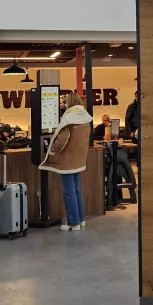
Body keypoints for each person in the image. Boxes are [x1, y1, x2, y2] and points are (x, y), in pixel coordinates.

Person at [40, 92, 93, 231]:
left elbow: (61, 141)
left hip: (67, 160)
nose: (63, 105)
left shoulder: (69, 118)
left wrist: (52, 150)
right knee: (76, 189)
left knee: (68, 190)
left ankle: (73, 222)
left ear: (70, 103)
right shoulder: (85, 118)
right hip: (79, 159)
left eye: (65, 102)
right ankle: (80, 219)